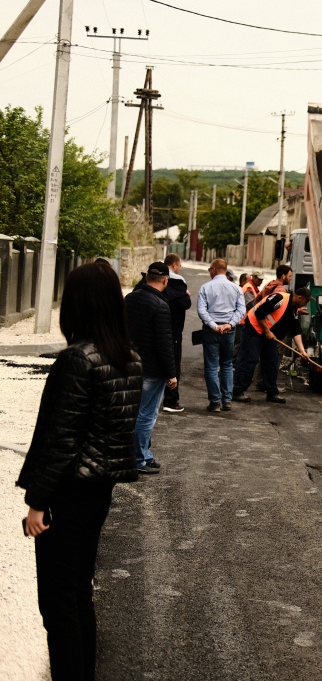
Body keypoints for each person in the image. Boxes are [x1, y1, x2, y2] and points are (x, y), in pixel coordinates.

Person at [17, 261, 142, 681]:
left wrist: (37, 501)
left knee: (56, 603)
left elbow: (61, 437)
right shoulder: (128, 358)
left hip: (68, 492)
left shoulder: (76, 359)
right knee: (78, 594)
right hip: (100, 489)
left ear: (77, 304)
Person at [124, 261, 177, 474]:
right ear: (165, 280)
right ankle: (140, 458)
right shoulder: (161, 306)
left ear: (147, 278)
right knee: (146, 415)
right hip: (152, 369)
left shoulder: (129, 299)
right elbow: (164, 343)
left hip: (129, 364)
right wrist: (172, 374)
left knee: (132, 412)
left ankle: (135, 454)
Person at [234, 287, 311, 405]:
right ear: (300, 298)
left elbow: (295, 330)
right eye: (306, 301)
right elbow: (260, 312)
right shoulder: (279, 298)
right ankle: (238, 391)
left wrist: (302, 351)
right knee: (249, 359)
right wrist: (267, 331)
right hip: (254, 330)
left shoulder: (294, 309)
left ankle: (272, 392)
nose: (306, 304)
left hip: (268, 335)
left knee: (272, 361)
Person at [197, 258, 246, 413]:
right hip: (229, 330)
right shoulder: (236, 289)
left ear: (214, 269)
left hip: (212, 330)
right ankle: (227, 400)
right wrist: (230, 324)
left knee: (211, 366)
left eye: (210, 269)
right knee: (227, 364)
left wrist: (214, 326)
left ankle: (215, 402)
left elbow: (202, 310)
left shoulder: (206, 287)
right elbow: (241, 310)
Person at [160, 253, 191, 413]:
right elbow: (185, 303)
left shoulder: (147, 283)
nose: (180, 268)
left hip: (152, 331)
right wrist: (184, 294)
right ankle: (171, 400)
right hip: (172, 330)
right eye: (179, 265)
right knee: (172, 364)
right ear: (174, 265)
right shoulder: (178, 283)